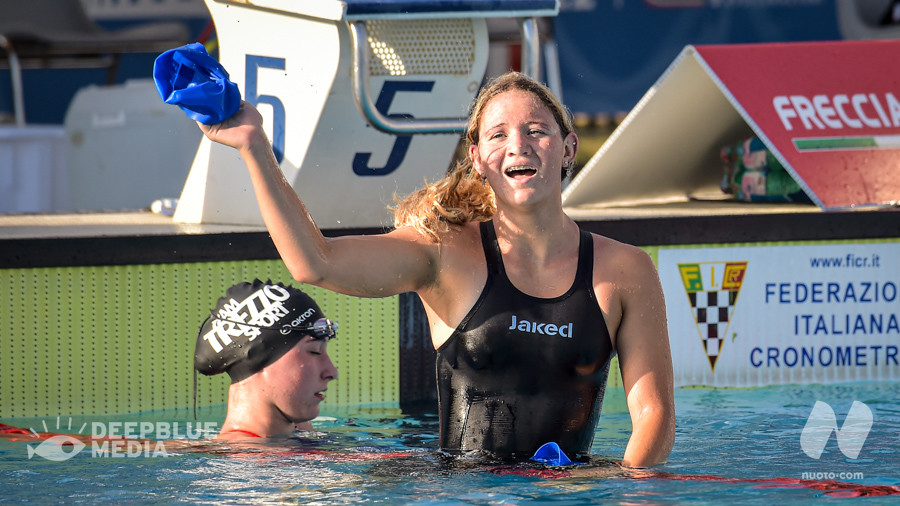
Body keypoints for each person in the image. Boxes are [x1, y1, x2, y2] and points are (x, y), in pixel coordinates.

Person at [197, 72, 675, 466]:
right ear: (478, 159)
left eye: (537, 131)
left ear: (569, 148)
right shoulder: (446, 255)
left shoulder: (625, 271)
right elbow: (314, 263)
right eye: (498, 135)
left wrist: (623, 491)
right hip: (463, 497)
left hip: (573, 497)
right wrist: (253, 146)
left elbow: (654, 416)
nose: (519, 146)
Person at [194, 279, 339, 440]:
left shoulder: (298, 435)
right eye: (314, 352)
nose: (332, 372)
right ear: (258, 359)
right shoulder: (246, 460)